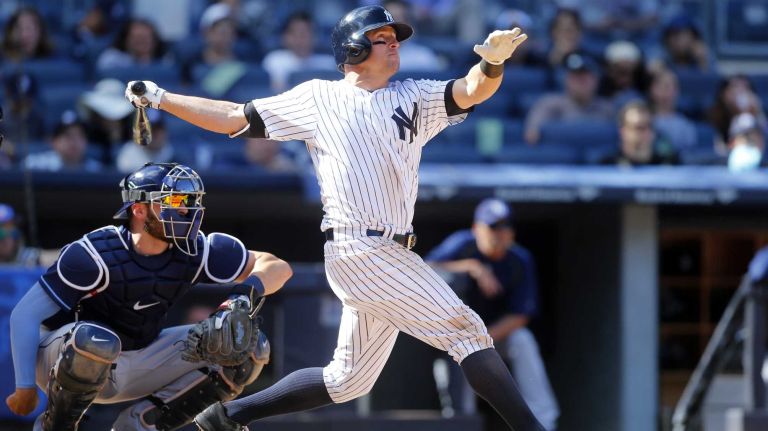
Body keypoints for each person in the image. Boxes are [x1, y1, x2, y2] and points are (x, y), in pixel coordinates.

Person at [124, 5, 544, 431]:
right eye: (382, 37)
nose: (394, 41)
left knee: (347, 381)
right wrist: (161, 98)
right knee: (467, 332)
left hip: (387, 250)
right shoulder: (319, 98)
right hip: (361, 246)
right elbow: (234, 117)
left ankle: (226, 416)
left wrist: (491, 63)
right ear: (354, 47)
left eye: (394, 35)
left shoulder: (415, 95)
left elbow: (472, 89)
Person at [5, 162, 293, 431]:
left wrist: (245, 294)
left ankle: (142, 423)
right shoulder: (95, 253)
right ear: (140, 210)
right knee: (97, 340)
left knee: (251, 349)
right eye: (175, 202)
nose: (186, 211)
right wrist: (25, 388)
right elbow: (24, 316)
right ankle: (55, 425)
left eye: (190, 202)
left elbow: (278, 267)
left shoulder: (197, 249)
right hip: (65, 359)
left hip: (139, 357)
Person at [425, 198, 559, 431]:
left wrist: (481, 342)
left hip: (496, 334)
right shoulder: (462, 245)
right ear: (477, 229)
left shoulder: (519, 259)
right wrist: (472, 267)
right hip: (457, 335)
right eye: (492, 227)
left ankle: (544, 422)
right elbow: (423, 270)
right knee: (460, 355)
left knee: (523, 340)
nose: (499, 234)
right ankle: (462, 421)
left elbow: (520, 315)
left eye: (505, 227)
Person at [524, 52, 612, 144]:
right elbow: (531, 136)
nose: (580, 82)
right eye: (576, 77)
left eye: (585, 77)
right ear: (566, 80)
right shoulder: (549, 104)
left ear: (596, 80)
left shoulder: (607, 108)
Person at [261, 11, 336, 92]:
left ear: (315, 37)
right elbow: (275, 93)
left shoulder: (329, 64)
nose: (299, 39)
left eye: (304, 34)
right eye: (294, 34)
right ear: (284, 37)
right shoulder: (274, 60)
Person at [600, 99, 679, 166]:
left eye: (650, 126)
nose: (647, 132)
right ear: (623, 131)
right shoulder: (607, 165)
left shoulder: (669, 164)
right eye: (639, 128)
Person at [24, 110, 103, 172]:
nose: (74, 141)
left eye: (79, 136)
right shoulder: (36, 166)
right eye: (68, 136)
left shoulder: (96, 170)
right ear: (54, 142)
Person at [647, 67, 698, 150]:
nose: (666, 91)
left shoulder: (686, 126)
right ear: (652, 89)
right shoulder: (643, 122)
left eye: (670, 87)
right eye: (661, 86)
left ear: (677, 91)